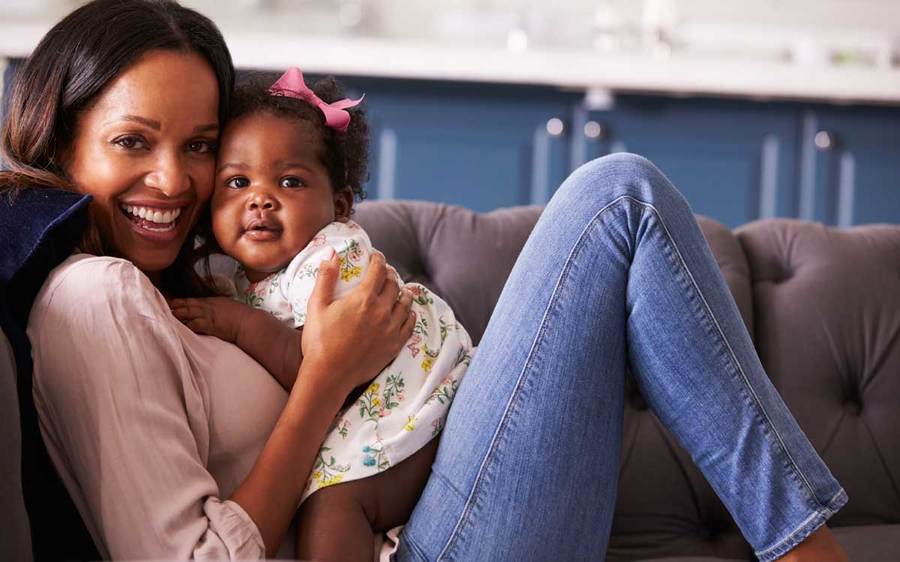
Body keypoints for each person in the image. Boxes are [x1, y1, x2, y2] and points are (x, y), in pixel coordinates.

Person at [0, 0, 850, 560]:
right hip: (414, 542)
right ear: (60, 140)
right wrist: (325, 374)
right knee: (615, 195)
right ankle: (807, 543)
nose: (176, 181)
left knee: (619, 197)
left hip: (415, 510)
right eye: (132, 143)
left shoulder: (183, 282)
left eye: (198, 147)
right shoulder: (94, 297)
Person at [167, 68, 474, 561]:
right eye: (238, 181)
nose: (260, 198)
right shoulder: (250, 281)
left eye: (289, 181)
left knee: (332, 506)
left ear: (338, 205)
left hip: (429, 416)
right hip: (401, 424)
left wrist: (237, 323)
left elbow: (321, 367)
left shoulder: (332, 258)